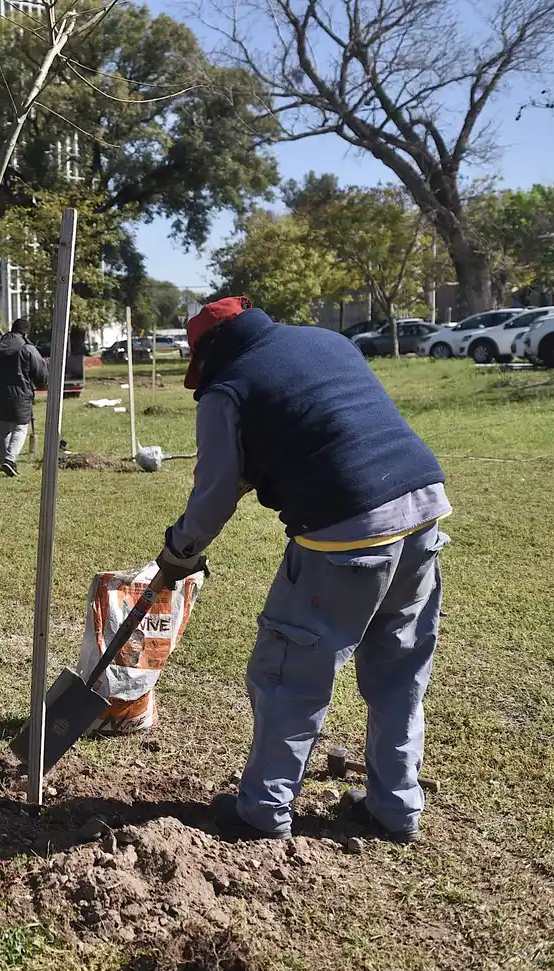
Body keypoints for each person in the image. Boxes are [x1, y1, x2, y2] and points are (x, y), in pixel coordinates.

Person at [154, 297, 450, 845]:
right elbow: (327, 422)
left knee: (290, 673)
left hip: (345, 530)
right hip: (422, 508)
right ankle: (396, 807)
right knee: (399, 670)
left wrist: (181, 551)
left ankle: (263, 811)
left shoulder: (227, 388)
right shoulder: (325, 340)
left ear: (208, 352)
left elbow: (215, 492)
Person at [0, 318, 48, 476]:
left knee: (2, 429)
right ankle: (9, 460)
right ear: (26, 331)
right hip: (20, 394)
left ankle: (4, 459)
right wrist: (43, 382)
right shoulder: (26, 347)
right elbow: (40, 372)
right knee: (20, 428)